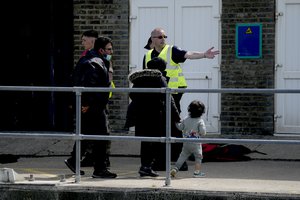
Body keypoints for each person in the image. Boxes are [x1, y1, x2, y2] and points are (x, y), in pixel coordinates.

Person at [143, 27, 219, 167]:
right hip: (158, 95)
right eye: (160, 37)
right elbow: (145, 75)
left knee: (174, 126)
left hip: (174, 94)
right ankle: (161, 161)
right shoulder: (148, 55)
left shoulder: (172, 50)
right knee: (160, 127)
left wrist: (203, 54)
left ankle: (180, 162)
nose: (163, 39)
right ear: (152, 39)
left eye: (165, 36)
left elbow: (188, 54)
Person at [64, 36, 117, 178]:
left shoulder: (90, 59)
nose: (111, 52)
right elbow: (89, 85)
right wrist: (87, 104)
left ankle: (74, 161)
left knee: (87, 134)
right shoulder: (95, 62)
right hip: (95, 106)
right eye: (109, 49)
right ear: (101, 50)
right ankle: (99, 169)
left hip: (92, 105)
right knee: (102, 136)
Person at [128, 58, 181, 177]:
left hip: (141, 115)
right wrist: (176, 116)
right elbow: (168, 98)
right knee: (155, 141)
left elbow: (132, 94)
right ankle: (148, 166)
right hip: (155, 114)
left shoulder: (139, 79)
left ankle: (145, 166)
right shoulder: (159, 78)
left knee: (145, 142)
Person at [170, 100, 206, 178]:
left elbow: (180, 127)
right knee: (198, 157)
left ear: (189, 110)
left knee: (182, 156)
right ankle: (197, 172)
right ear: (202, 112)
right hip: (196, 144)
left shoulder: (186, 119)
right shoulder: (200, 121)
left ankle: (175, 169)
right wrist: (200, 133)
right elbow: (203, 132)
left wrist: (176, 122)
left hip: (186, 142)